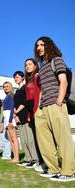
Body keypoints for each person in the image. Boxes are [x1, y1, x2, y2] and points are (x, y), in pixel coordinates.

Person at [34, 36, 75, 181]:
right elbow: (43, 89)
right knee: (44, 140)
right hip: (43, 106)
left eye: (42, 44)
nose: (39, 47)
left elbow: (62, 81)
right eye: (37, 45)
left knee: (62, 139)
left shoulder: (56, 60)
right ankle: (53, 168)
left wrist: (59, 100)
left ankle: (69, 171)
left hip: (56, 104)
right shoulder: (42, 66)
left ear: (48, 46)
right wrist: (39, 107)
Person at [13, 71, 39, 168]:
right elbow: (15, 104)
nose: (16, 79)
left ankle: (35, 159)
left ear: (22, 77)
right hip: (19, 118)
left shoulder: (25, 88)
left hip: (26, 115)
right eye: (15, 77)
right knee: (23, 140)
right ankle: (28, 159)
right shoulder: (17, 91)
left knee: (30, 139)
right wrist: (15, 115)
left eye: (17, 77)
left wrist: (16, 112)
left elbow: (25, 102)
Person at [24, 58, 45, 172]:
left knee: (41, 136)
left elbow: (38, 94)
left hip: (37, 106)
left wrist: (36, 109)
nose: (27, 66)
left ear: (35, 65)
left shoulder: (37, 76)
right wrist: (29, 112)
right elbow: (28, 99)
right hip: (31, 108)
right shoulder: (28, 80)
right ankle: (40, 160)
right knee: (35, 137)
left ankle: (44, 162)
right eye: (26, 65)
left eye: (30, 64)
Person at [1, 81, 19, 163]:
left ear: (10, 87)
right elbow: (4, 111)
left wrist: (10, 120)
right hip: (6, 117)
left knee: (14, 138)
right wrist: (3, 121)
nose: (6, 88)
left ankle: (17, 158)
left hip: (9, 118)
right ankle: (14, 157)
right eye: (4, 86)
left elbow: (12, 108)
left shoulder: (11, 95)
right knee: (10, 139)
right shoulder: (6, 96)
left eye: (7, 86)